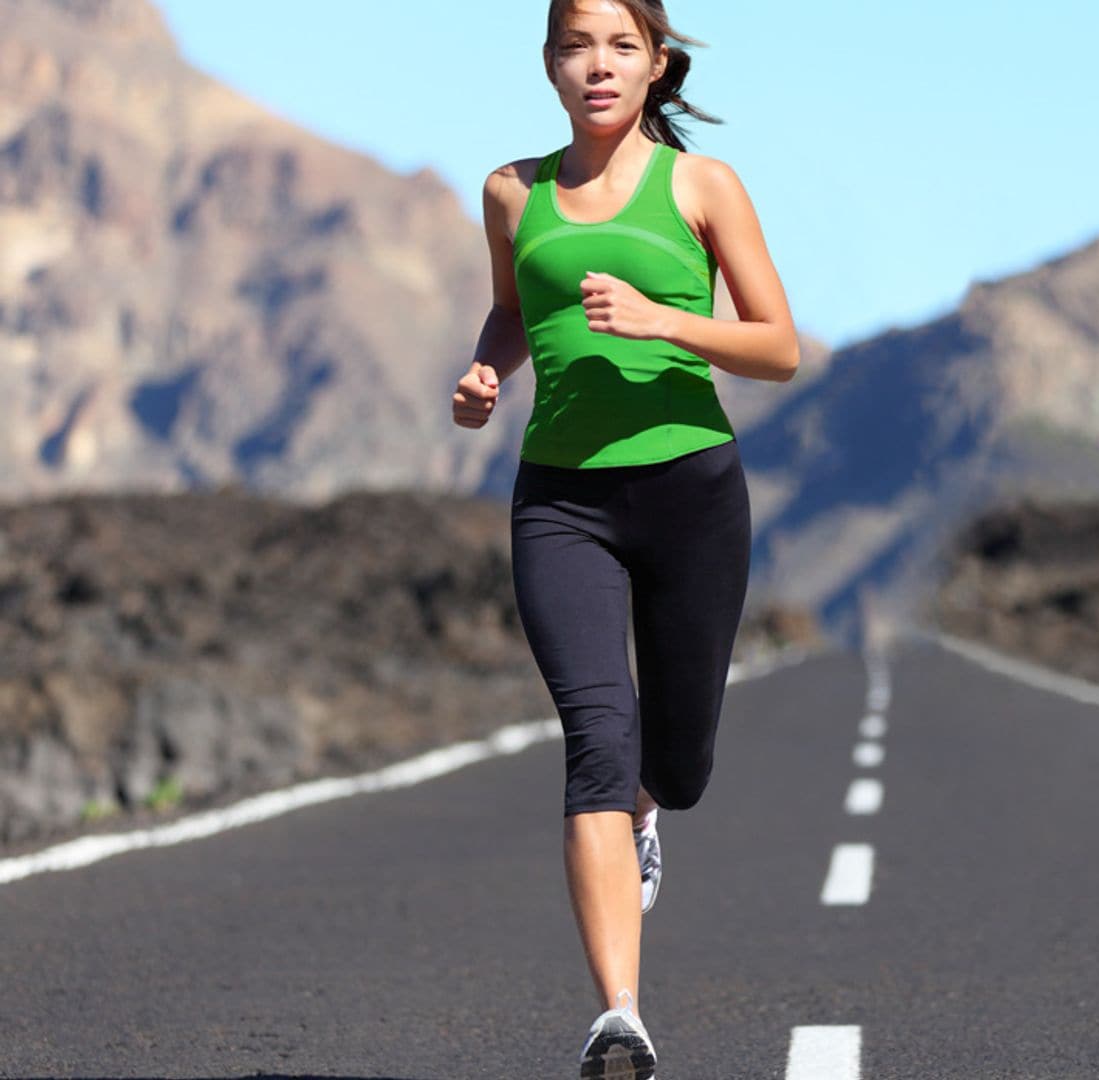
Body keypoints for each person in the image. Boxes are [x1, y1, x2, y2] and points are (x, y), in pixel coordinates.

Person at [451, 1, 799, 1075]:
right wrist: (484, 369)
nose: (595, 66)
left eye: (618, 46)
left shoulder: (701, 186)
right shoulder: (513, 191)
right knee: (598, 737)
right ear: (549, 66)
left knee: (677, 760)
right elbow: (514, 307)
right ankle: (621, 1018)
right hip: (562, 502)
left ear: (654, 64)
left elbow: (778, 346)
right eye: (573, 46)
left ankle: (653, 809)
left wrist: (665, 321)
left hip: (692, 491)